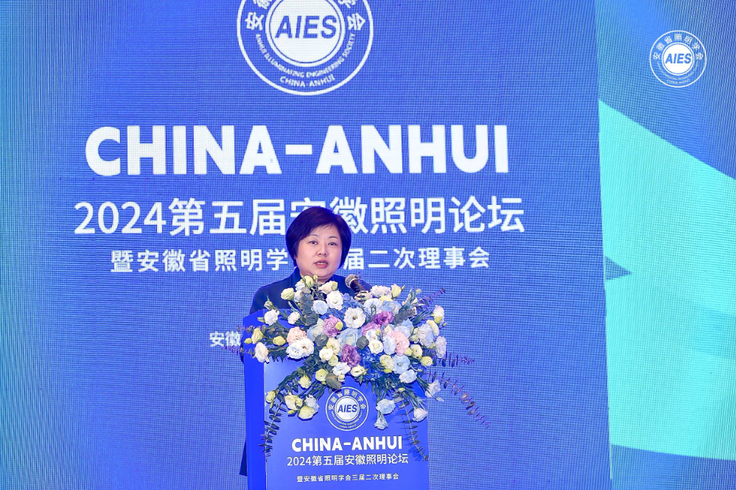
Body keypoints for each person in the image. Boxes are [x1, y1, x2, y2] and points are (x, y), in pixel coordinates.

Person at [240, 206, 356, 476]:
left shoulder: (357, 295)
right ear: (295, 250)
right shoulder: (271, 296)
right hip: (286, 424)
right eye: (313, 242)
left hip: (346, 425)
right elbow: (250, 356)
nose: (323, 251)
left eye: (332, 243)